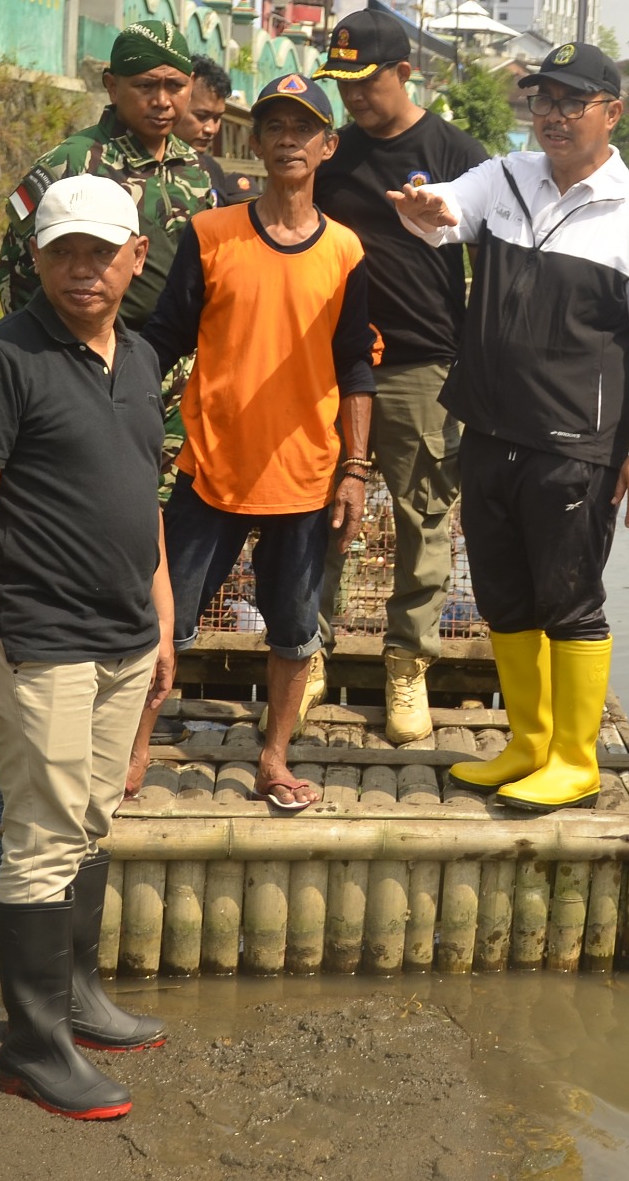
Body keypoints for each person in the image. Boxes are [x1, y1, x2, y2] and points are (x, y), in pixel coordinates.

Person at [0, 174, 178, 1121]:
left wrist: (161, 619)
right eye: (64, 250)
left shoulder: (144, 358)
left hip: (122, 634)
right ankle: (32, 1049)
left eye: (101, 251)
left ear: (134, 257)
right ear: (36, 257)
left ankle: (75, 999)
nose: (83, 269)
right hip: (37, 638)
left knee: (93, 819)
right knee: (40, 837)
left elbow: (143, 497)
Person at [385, 41, 629, 813]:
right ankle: (527, 741)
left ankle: (575, 757)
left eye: (570, 102)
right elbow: (447, 208)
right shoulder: (508, 176)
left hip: (575, 441)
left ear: (611, 113)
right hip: (488, 425)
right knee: (502, 595)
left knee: (569, 598)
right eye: (542, 100)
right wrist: (427, 205)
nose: (551, 115)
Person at [141, 73, 375, 805]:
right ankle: (133, 751)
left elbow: (356, 367)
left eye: (303, 129)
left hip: (305, 476)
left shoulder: (345, 252)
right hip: (212, 467)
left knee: (296, 631)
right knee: (163, 622)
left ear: (327, 146)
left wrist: (356, 468)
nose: (287, 140)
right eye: (273, 126)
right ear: (255, 141)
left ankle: (274, 756)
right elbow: (161, 340)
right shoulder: (212, 236)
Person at [313, 11, 490, 743]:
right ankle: (307, 649)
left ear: (405, 73)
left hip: (423, 362)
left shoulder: (457, 153)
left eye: (366, 82)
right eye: (342, 84)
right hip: (334, 364)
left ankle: (407, 662)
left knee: (423, 516)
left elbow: (494, 264)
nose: (353, 97)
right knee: (319, 508)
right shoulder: (335, 157)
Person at [0, 18, 216, 324]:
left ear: (191, 85)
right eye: (145, 85)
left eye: (176, 86)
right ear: (112, 86)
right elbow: (17, 269)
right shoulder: (71, 162)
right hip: (92, 355)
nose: (162, 101)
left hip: (173, 360)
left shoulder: (195, 168)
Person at [182, 54, 256, 204]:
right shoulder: (142, 169)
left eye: (217, 118)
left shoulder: (212, 171)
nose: (211, 129)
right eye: (201, 116)